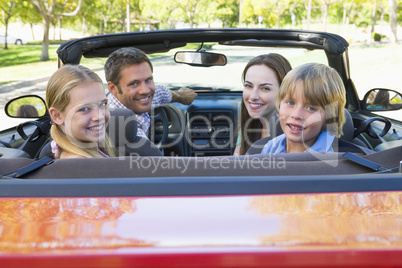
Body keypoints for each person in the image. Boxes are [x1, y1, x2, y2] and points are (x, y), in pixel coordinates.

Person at [104, 47, 197, 139]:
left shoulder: (130, 100)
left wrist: (181, 96)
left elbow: (161, 93)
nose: (145, 91)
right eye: (134, 84)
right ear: (113, 88)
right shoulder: (125, 133)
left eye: (148, 80)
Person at [261, 63, 346, 154]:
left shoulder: (333, 160)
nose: (296, 115)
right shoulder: (270, 148)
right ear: (279, 105)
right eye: (290, 103)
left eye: (310, 108)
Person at [46, 64, 115, 159]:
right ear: (57, 116)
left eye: (102, 104)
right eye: (84, 109)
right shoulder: (81, 167)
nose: (99, 116)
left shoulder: (92, 151)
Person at [234, 53, 292, 155]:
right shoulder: (247, 126)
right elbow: (236, 166)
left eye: (265, 88)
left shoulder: (294, 134)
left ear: (284, 92)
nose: (253, 96)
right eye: (248, 85)